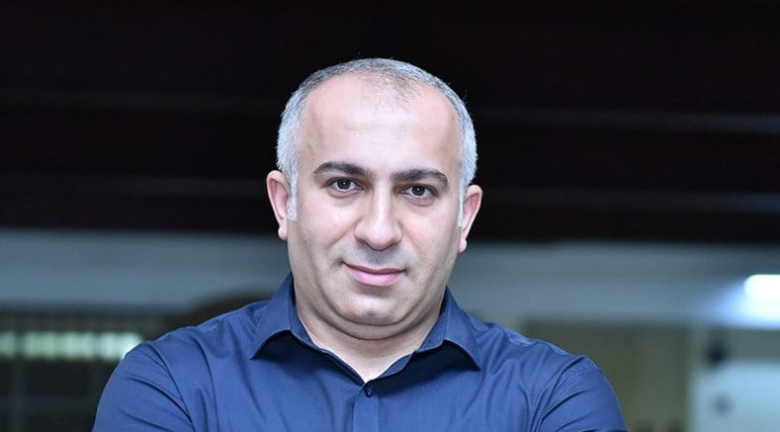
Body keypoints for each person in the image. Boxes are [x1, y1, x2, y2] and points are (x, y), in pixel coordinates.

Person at [93, 58, 627, 431]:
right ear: (284, 202)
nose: (378, 231)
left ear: (464, 217)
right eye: (344, 184)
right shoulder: (172, 385)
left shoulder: (554, 398)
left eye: (417, 190)